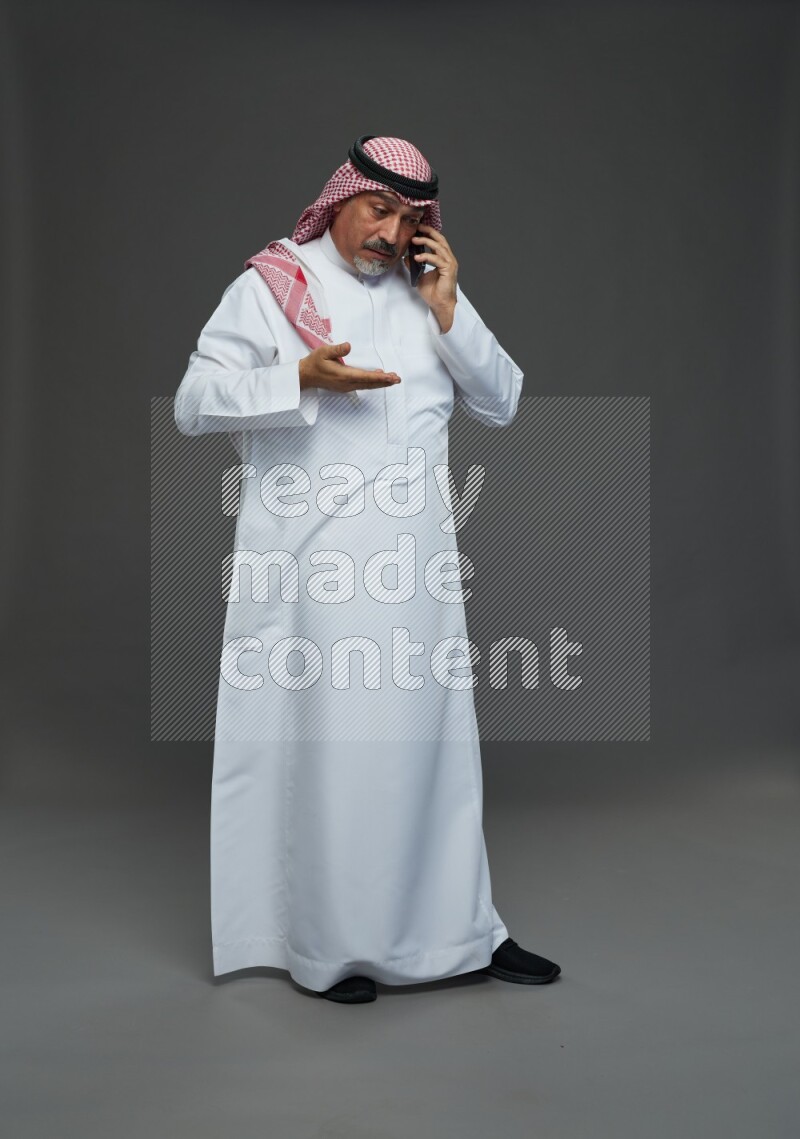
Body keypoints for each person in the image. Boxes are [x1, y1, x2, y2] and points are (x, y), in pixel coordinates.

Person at [174, 135, 561, 1003]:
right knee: (338, 759)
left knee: (432, 755)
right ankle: (331, 946)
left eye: (409, 217)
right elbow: (193, 403)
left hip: (416, 573)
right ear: (338, 198)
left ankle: (463, 933)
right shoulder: (275, 285)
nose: (389, 232)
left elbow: (502, 402)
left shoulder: (429, 297)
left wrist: (452, 307)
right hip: (316, 578)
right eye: (377, 209)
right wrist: (297, 377)